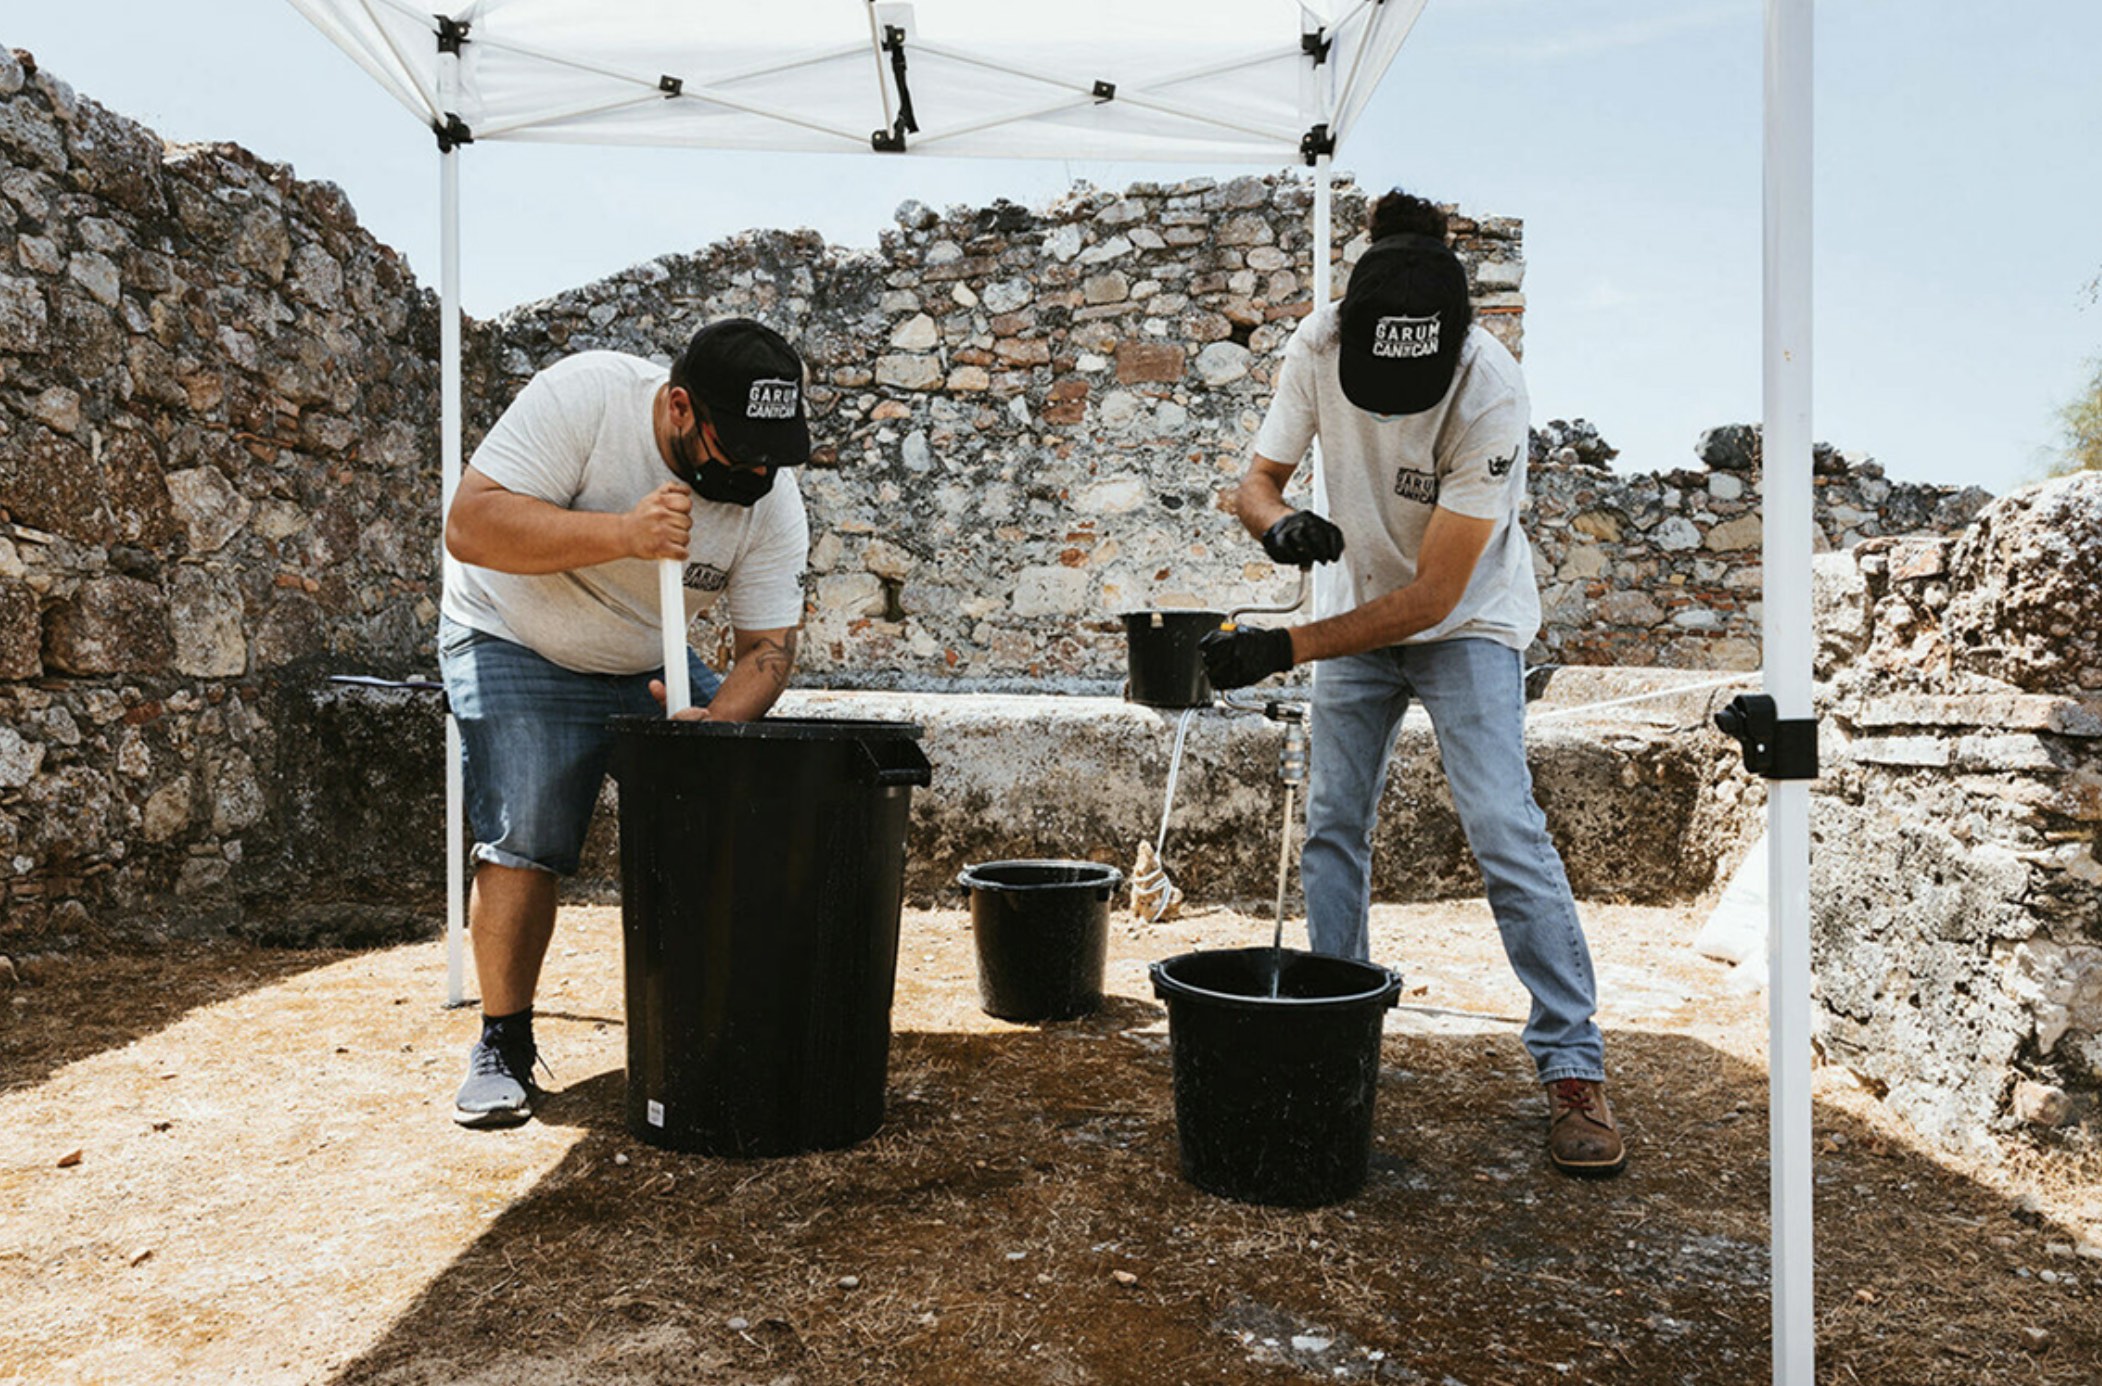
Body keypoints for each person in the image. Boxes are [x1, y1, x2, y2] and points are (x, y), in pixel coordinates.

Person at [1200, 190, 1625, 1177]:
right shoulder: (1315, 346)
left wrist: (1284, 646)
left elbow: (1433, 596)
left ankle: (1571, 1065)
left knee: (1501, 827)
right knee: (1331, 827)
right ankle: (1337, 1031)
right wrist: (1277, 528)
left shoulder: (1490, 391)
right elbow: (1252, 483)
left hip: (1463, 622)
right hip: (1351, 608)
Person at [439, 318, 812, 1128]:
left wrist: (713, 723)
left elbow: (768, 650)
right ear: (680, 407)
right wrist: (622, 534)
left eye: (771, 450)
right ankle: (502, 1045)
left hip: (646, 654)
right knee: (528, 825)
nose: (755, 467)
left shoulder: (770, 496)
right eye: (739, 444)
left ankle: (720, 1022)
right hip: (513, 631)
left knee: (736, 797)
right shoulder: (587, 399)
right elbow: (469, 524)